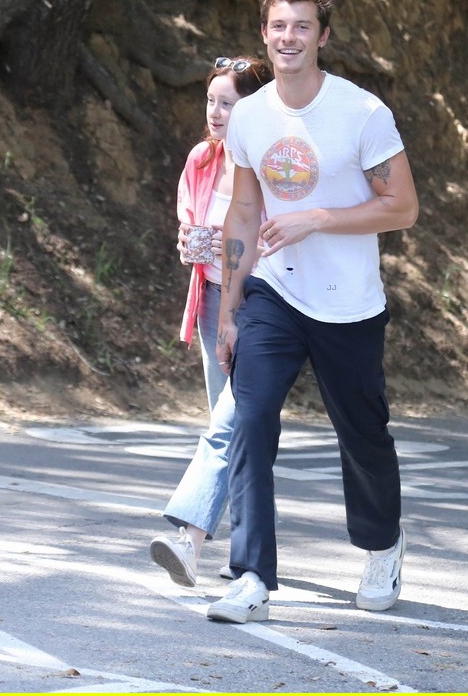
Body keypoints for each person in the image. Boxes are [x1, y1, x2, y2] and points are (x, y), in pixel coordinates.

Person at [206, 0, 419, 624]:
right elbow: (244, 211)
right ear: (264, 34)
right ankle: (251, 575)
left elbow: (402, 207)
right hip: (274, 290)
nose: (289, 37)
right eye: (279, 25)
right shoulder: (250, 115)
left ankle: (381, 546)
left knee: (363, 433)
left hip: (348, 304)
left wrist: (318, 217)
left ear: (322, 36)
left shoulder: (362, 113)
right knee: (251, 418)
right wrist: (229, 309)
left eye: (302, 25)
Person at [149, 55, 272, 588]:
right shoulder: (201, 158)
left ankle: (190, 539)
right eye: (211, 101)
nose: (216, 113)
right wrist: (191, 243)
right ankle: (250, 550)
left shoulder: (272, 166)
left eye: (228, 103)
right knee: (238, 425)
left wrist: (227, 245)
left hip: (260, 302)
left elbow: (275, 236)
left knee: (228, 423)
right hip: (209, 298)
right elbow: (190, 223)